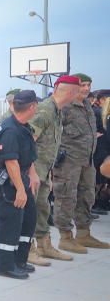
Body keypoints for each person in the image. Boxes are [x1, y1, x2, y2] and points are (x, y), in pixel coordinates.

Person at [52, 73, 109, 251]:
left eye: (88, 86)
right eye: (82, 85)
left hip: (87, 160)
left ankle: (84, 234)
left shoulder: (87, 105)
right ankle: (65, 237)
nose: (85, 89)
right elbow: (53, 133)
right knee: (66, 197)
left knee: (87, 196)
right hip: (69, 161)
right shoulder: (64, 106)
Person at [0, 90, 42, 278]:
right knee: (10, 222)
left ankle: (19, 260)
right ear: (32, 106)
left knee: (28, 219)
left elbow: (26, 155)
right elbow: (11, 162)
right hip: (9, 181)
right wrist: (20, 189)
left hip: (22, 177)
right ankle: (5, 265)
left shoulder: (23, 126)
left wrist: (33, 174)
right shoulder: (10, 129)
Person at [28, 76, 80, 263]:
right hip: (32, 171)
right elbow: (28, 142)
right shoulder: (44, 110)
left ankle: (44, 246)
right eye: (76, 90)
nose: (78, 94)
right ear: (70, 92)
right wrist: (31, 172)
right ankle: (27, 249)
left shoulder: (57, 111)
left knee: (42, 209)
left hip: (43, 170)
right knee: (28, 212)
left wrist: (48, 173)